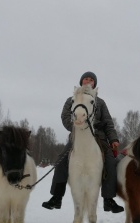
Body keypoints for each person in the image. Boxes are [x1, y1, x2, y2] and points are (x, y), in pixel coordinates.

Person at [42, 71, 124, 213]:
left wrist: (113, 139)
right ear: (81, 82)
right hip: (78, 135)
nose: (88, 81)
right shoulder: (72, 99)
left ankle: (108, 199)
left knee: (111, 161)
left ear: (94, 84)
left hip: (99, 138)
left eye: (91, 80)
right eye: (85, 79)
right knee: (61, 159)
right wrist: (74, 126)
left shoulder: (101, 102)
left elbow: (108, 122)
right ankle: (57, 197)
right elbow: (65, 116)